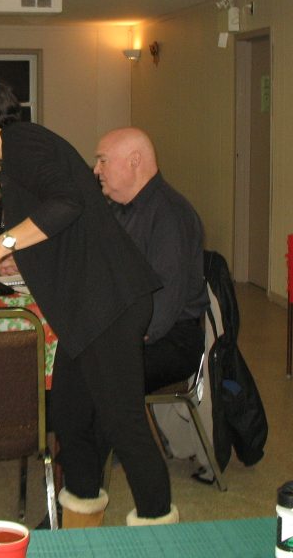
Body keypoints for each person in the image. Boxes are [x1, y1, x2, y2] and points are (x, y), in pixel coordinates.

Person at [0, 66, 180, 528]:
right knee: (70, 415)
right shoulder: (22, 151)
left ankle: (157, 527)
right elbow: (11, 213)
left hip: (110, 303)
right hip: (88, 308)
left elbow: (67, 202)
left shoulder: (26, 143)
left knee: (122, 423)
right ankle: (78, 515)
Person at [93, 127, 209, 393]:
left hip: (170, 339)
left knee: (87, 376)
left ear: (134, 161)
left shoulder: (170, 215)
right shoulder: (120, 209)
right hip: (130, 325)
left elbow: (162, 307)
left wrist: (112, 338)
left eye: (103, 160)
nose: (96, 170)